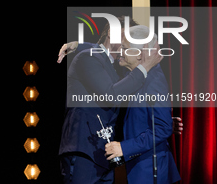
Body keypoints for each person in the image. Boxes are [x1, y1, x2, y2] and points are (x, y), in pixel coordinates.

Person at [58, 17, 163, 184]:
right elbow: (110, 95)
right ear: (110, 33)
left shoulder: (118, 67)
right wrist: (144, 67)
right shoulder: (88, 57)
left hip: (106, 153)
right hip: (83, 150)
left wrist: (158, 120)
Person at [104, 25, 181, 184]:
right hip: (138, 168)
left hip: (149, 171)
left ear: (140, 55)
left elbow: (163, 127)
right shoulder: (134, 76)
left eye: (125, 48)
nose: (120, 52)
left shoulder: (154, 81)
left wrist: (124, 148)